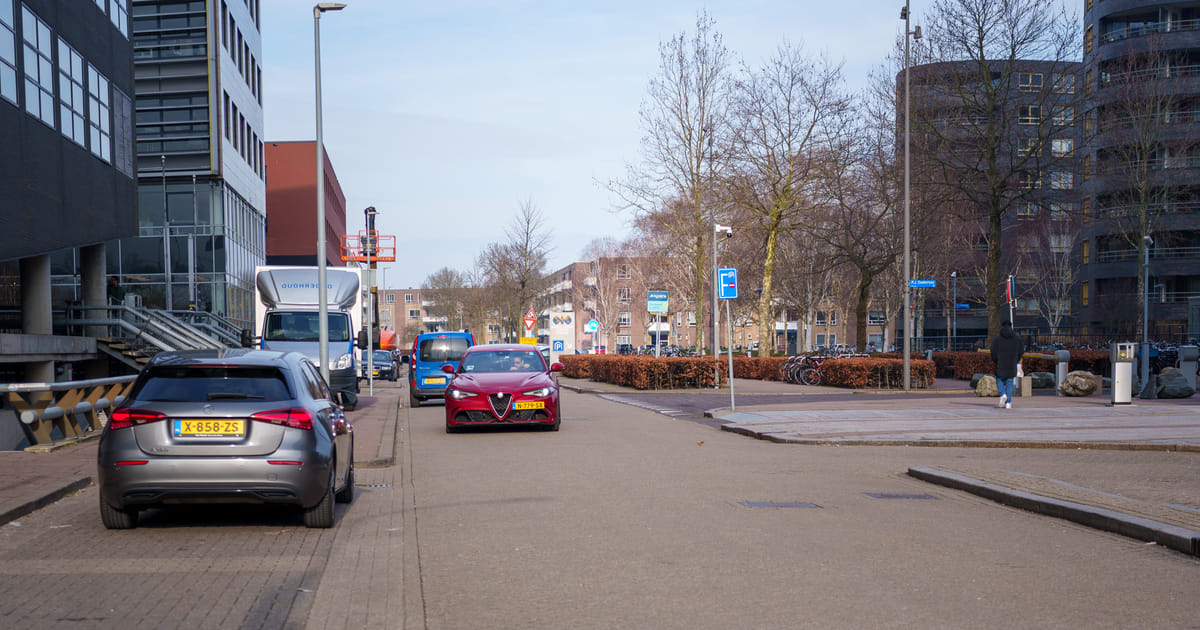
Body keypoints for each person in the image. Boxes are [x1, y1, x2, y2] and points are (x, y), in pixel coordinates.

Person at [990, 320, 1024, 409]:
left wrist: (996, 360)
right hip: (1012, 363)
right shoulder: (1017, 338)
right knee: (1010, 382)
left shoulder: (997, 338)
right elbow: (1021, 351)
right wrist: (1016, 360)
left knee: (999, 380)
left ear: (1002, 326)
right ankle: (1008, 403)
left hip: (1000, 363)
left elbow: (992, 351)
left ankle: (1002, 395)